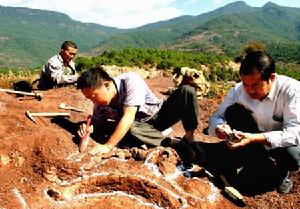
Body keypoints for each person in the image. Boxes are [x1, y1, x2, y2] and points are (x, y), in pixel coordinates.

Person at [208, 51, 300, 194]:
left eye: (255, 85)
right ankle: (255, 160)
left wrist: (253, 138)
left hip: (278, 142)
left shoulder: (292, 91)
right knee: (233, 111)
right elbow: (216, 116)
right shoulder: (239, 90)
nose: (249, 90)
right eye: (245, 84)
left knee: (292, 154)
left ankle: (282, 173)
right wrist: (219, 127)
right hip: (253, 136)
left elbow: (294, 133)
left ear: (272, 78)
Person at [77, 66, 200, 155]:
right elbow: (98, 123)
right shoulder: (99, 104)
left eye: (93, 96)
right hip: (138, 128)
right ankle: (173, 142)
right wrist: (90, 128)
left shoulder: (130, 80)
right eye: (88, 98)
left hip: (158, 115)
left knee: (186, 91)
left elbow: (128, 117)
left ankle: (189, 138)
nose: (93, 101)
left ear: (107, 85)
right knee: (129, 128)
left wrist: (108, 146)